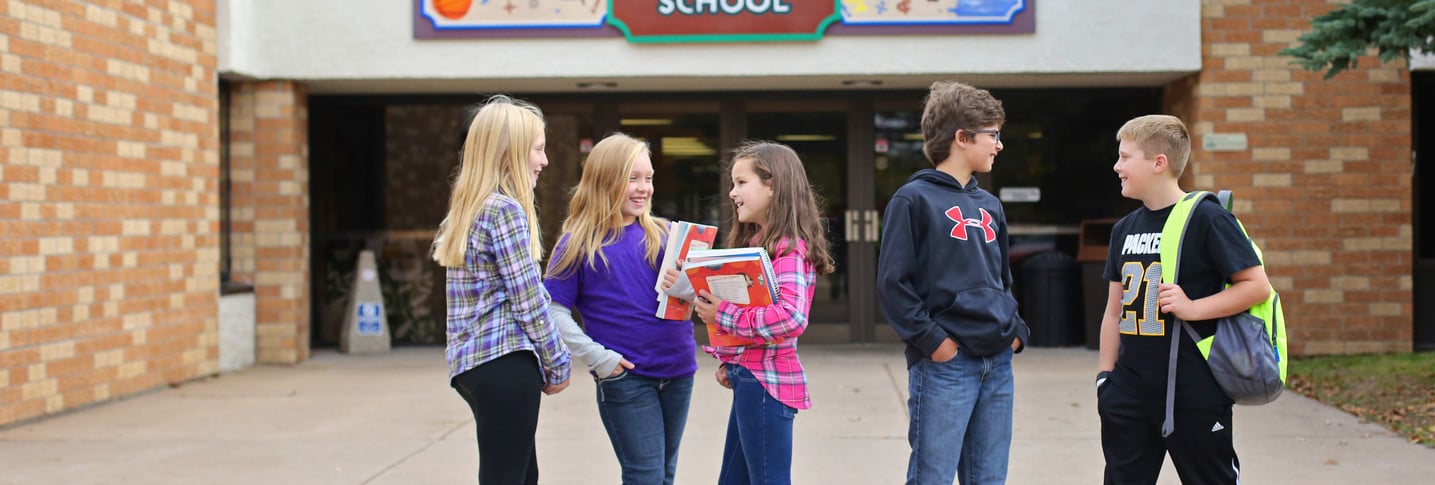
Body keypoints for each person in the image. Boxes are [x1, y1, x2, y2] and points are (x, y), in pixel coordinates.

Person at [1097, 114, 1271, 485]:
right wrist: (1105, 378)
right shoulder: (1123, 230)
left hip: (1195, 392)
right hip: (1129, 393)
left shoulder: (1206, 218)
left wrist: (1193, 308)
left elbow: (1257, 287)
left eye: (1126, 157)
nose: (1117, 166)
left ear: (1159, 163)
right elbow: (1114, 312)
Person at [875, 81, 1029, 485]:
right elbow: (893, 284)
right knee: (933, 478)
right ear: (962, 138)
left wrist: (1016, 331)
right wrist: (934, 343)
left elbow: (1001, 279)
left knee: (989, 478)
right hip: (947, 365)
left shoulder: (989, 204)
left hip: (998, 360)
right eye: (992, 136)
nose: (999, 145)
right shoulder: (913, 199)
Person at [665, 141, 834, 485]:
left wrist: (721, 314)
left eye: (741, 183)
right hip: (752, 379)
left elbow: (790, 317)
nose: (732, 193)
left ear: (772, 185)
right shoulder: (763, 244)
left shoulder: (788, 248)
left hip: (766, 384)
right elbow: (756, 310)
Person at [543, 133, 698, 484]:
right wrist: (599, 358)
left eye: (649, 178)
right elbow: (553, 310)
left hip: (678, 371)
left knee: (663, 475)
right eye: (633, 178)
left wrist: (689, 286)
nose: (644, 188)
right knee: (644, 476)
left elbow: (692, 303)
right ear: (605, 180)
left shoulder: (666, 234)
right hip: (626, 377)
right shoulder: (578, 242)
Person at [433, 95, 571, 485]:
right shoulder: (504, 210)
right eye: (538, 149)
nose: (544, 161)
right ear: (510, 152)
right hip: (505, 361)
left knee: (520, 475)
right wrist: (557, 359)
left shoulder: (469, 208)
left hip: (472, 365)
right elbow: (528, 298)